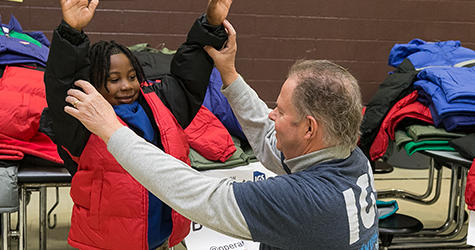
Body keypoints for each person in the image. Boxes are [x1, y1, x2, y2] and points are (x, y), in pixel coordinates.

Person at [64, 10, 379, 250]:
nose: (271, 115)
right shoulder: (349, 159)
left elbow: (196, 194)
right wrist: (228, 71)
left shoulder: (306, 201)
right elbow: (271, 145)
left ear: (310, 128)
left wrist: (110, 128)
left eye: (281, 112)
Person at [42, 0, 230, 249]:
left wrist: (212, 23)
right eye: (113, 79)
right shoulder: (83, 119)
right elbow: (62, 82)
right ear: (94, 84)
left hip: (164, 241)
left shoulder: (161, 103)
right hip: (106, 244)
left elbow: (190, 73)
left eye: (132, 77)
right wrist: (71, 32)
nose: (127, 86)